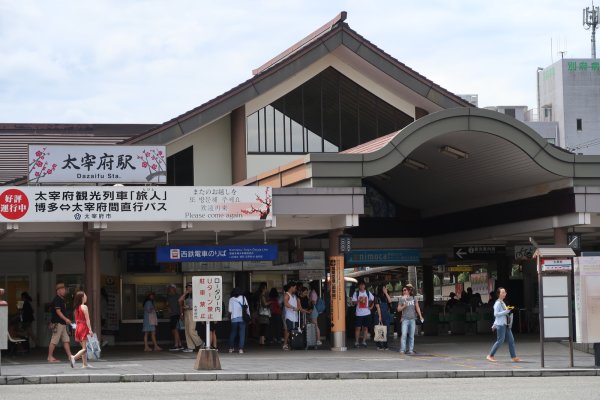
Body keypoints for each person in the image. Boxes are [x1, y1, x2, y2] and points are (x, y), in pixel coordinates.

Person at [486, 287, 521, 362]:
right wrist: (506, 312)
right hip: (501, 325)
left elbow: (501, 314)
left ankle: (513, 357)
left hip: (506, 324)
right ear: (499, 294)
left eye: (505, 292)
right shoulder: (498, 303)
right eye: (503, 292)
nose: (505, 293)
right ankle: (490, 355)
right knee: (500, 340)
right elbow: (496, 314)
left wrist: (494, 324)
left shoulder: (502, 302)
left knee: (511, 340)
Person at [47, 282, 73, 363]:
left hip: (62, 323)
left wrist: (65, 320)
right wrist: (66, 319)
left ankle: (70, 356)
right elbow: (58, 312)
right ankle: (49, 357)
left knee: (66, 340)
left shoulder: (61, 299)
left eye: (64, 289)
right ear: (58, 291)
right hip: (58, 323)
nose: (64, 290)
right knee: (54, 340)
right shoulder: (57, 299)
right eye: (62, 289)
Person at [397, 284, 424, 355]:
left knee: (411, 336)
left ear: (409, 290)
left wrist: (420, 316)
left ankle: (411, 350)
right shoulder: (401, 299)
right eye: (403, 290)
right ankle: (403, 349)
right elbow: (398, 309)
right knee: (404, 334)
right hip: (405, 319)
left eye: (405, 290)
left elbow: (417, 307)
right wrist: (404, 306)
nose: (404, 291)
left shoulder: (414, 298)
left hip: (412, 319)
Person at [70, 291, 93, 369]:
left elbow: (76, 320)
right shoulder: (84, 307)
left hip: (78, 328)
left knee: (84, 347)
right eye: (85, 295)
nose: (86, 297)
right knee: (84, 348)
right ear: (82, 298)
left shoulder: (76, 309)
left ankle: (85, 364)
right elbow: (87, 320)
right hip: (83, 327)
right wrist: (90, 330)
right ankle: (74, 357)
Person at [179, 282, 203, 352]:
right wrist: (185, 293)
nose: (188, 288)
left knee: (191, 329)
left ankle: (200, 342)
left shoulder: (196, 295)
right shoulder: (186, 295)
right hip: (186, 312)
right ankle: (190, 347)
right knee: (187, 330)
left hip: (193, 312)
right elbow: (179, 300)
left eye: (190, 287)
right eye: (187, 287)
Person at [351, 279, 374, 348]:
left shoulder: (367, 292)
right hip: (359, 313)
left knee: (365, 328)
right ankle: (357, 342)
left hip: (367, 313)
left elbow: (372, 300)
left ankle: (364, 341)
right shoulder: (356, 293)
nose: (362, 286)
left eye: (363, 285)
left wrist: (371, 307)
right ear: (359, 286)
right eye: (360, 285)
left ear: (364, 285)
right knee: (358, 328)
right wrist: (358, 300)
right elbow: (353, 302)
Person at [228, 287, 250, 354]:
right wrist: (249, 316)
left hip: (234, 318)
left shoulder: (231, 299)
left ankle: (231, 348)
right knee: (242, 334)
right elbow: (247, 308)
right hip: (242, 318)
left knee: (233, 333)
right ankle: (240, 349)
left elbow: (230, 310)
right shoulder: (243, 298)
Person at [282, 282, 302, 351]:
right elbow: (286, 303)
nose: (296, 289)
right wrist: (293, 308)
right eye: (295, 287)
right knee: (288, 330)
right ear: (291, 287)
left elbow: (298, 306)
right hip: (289, 316)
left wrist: (299, 304)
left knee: (293, 330)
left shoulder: (295, 296)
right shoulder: (286, 295)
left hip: (295, 316)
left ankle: (293, 344)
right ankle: (285, 344)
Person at [374, 285, 392, 350]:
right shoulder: (376, 297)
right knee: (379, 329)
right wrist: (380, 317)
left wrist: (386, 293)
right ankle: (379, 345)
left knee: (386, 330)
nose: (385, 289)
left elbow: (390, 301)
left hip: (386, 315)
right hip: (379, 314)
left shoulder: (386, 296)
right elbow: (378, 307)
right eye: (384, 288)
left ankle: (385, 345)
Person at [166, 284, 183, 351]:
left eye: (171, 288)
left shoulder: (178, 296)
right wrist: (168, 307)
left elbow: (181, 306)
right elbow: (167, 304)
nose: (170, 289)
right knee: (174, 330)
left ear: (174, 289)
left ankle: (176, 345)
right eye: (169, 288)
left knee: (175, 329)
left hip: (177, 314)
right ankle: (180, 344)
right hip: (172, 315)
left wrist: (181, 314)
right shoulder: (168, 296)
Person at [308, 281, 322, 346]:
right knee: (315, 324)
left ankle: (318, 340)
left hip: (313, 309)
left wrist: (309, 302)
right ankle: (317, 339)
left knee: (315, 325)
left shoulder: (313, 292)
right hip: (314, 309)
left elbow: (313, 302)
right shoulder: (315, 292)